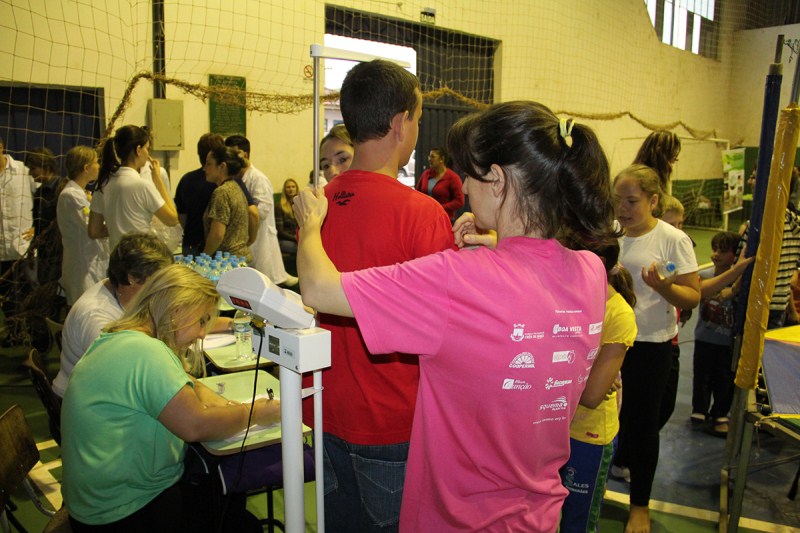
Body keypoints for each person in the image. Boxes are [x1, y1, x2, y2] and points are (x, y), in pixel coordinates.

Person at [295, 100, 617, 531]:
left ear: (497, 181)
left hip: (459, 520)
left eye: (470, 174)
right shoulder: (592, 272)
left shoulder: (458, 279)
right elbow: (533, 283)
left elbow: (318, 288)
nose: (464, 185)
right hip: (538, 516)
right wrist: (499, 246)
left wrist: (311, 224)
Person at [297, 59, 455, 532]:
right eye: (418, 120)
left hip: (325, 408)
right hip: (391, 420)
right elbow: (443, 331)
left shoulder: (316, 207)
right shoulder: (422, 214)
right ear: (401, 123)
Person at [60, 264, 280, 531]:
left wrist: (203, 391)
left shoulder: (121, 338)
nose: (202, 333)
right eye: (201, 321)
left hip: (100, 503)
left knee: (224, 505)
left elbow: (183, 382)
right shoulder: (147, 352)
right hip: (126, 510)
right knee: (238, 522)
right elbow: (196, 425)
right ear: (177, 311)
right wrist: (255, 412)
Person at [612, 163, 700, 533]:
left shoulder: (671, 239)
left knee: (643, 425)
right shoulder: (609, 235)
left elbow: (692, 295)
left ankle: (640, 506)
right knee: (600, 419)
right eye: (618, 200)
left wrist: (665, 287)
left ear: (653, 200)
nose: (623, 208)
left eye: (631, 201)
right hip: (608, 343)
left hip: (649, 346)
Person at [559, 241, 637, 533]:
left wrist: (557, 373)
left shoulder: (618, 313)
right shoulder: (564, 297)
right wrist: (585, 372)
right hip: (552, 427)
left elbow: (592, 395)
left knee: (577, 523)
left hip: (586, 436)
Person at [52, 232, 173, 397]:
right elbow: (120, 374)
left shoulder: (119, 290)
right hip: (86, 397)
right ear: (133, 278)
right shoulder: (96, 317)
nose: (164, 288)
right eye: (158, 281)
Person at [692, 231, 753, 437]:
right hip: (704, 337)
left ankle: (719, 412)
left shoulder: (739, 283)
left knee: (724, 378)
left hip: (726, 341)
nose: (716, 254)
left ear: (735, 256)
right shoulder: (706, 276)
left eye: (723, 251)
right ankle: (699, 409)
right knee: (701, 375)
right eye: (715, 249)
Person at [88, 125, 179, 250]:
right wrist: (158, 181)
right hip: (140, 255)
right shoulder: (142, 185)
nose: (148, 154)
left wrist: (118, 228)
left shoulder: (103, 184)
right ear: (138, 150)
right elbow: (172, 219)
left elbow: (94, 231)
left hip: (117, 256)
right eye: (147, 149)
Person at [224, 135, 297, 286]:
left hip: (260, 240)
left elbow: (261, 212)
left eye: (232, 154)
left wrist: (238, 214)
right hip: (246, 240)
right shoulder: (236, 178)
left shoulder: (258, 179)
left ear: (244, 155)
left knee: (264, 285)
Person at [57, 146, 110, 306]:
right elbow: (94, 228)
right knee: (85, 310)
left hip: (91, 263)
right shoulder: (71, 196)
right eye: (96, 162)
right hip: (83, 266)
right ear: (86, 168)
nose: (99, 166)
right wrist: (118, 224)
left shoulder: (82, 193)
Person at [175, 134, 226, 256]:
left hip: (191, 243)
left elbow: (182, 216)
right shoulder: (222, 184)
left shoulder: (186, 180)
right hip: (217, 248)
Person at [0, 135, 34, 316]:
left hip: (24, 248)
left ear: (1, 147)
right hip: (1, 253)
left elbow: (45, 195)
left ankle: (34, 328)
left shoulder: (23, 171)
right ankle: (12, 328)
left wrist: (37, 227)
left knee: (31, 297)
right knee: (7, 303)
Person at [202, 146, 254, 263]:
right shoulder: (236, 187)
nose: (204, 168)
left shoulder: (221, 192)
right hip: (242, 257)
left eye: (209, 164)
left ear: (222, 166)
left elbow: (217, 234)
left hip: (228, 261)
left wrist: (204, 257)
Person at [25, 147, 65, 285]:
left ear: (45, 166)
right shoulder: (39, 192)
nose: (30, 173)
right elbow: (37, 225)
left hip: (60, 254)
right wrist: (32, 247)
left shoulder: (62, 188)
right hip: (45, 254)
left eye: (33, 168)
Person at [414, 147, 465, 221]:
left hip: (443, 218)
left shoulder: (453, 177)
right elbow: (417, 193)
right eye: (429, 156)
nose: (429, 159)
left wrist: (440, 207)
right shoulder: (426, 174)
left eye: (433, 157)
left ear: (442, 159)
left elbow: (459, 201)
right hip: (425, 217)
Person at [276, 178, 299, 273]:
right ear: (284, 190)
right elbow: (280, 231)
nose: (291, 189)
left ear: (297, 189)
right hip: (284, 240)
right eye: (288, 187)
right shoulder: (279, 206)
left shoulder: (300, 204)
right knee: (301, 249)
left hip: (298, 238)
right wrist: (295, 238)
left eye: (293, 187)